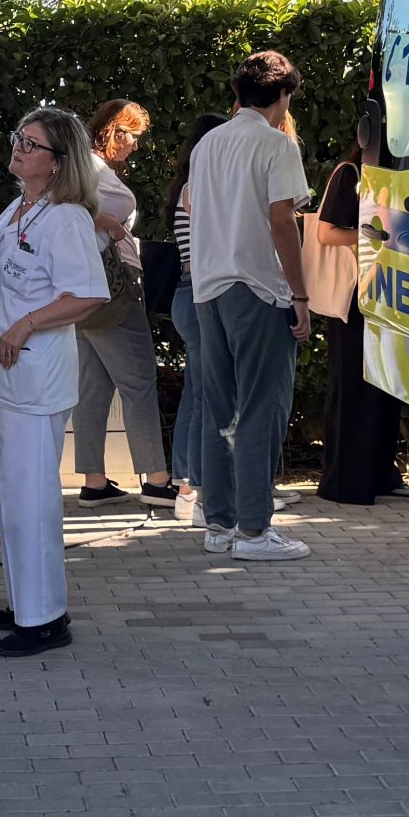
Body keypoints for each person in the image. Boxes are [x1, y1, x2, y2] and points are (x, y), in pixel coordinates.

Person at [0, 106, 110, 659]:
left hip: (33, 379)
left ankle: (45, 620)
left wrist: (26, 323)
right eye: (19, 136)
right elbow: (2, 274)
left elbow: (87, 294)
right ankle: (25, 602)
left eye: (32, 143)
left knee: (32, 500)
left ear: (59, 161)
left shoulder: (67, 218)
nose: (19, 146)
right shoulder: (20, 206)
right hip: (0, 377)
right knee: (10, 497)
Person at [188, 51, 315, 562]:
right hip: (258, 288)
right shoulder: (276, 144)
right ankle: (255, 532)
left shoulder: (207, 143)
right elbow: (283, 222)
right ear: (283, 96)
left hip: (208, 288)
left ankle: (219, 525)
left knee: (220, 409)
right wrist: (301, 296)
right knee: (262, 410)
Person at [74, 99, 174, 508]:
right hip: (113, 291)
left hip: (83, 292)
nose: (135, 144)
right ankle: (156, 480)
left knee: (92, 387)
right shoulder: (90, 170)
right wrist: (107, 223)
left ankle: (93, 481)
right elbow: (67, 207)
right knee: (139, 383)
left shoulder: (80, 167)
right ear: (113, 131)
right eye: (132, 135)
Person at [312, 108, 405, 505]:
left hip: (385, 291)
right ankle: (346, 481)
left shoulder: (390, 179)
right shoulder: (349, 174)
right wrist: (371, 238)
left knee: (384, 386)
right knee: (353, 385)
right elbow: (325, 233)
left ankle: (376, 473)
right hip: (353, 295)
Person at [161, 112, 228, 521]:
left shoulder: (187, 186)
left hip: (188, 294)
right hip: (200, 293)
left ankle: (186, 487)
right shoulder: (201, 188)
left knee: (196, 392)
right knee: (205, 395)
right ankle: (194, 493)